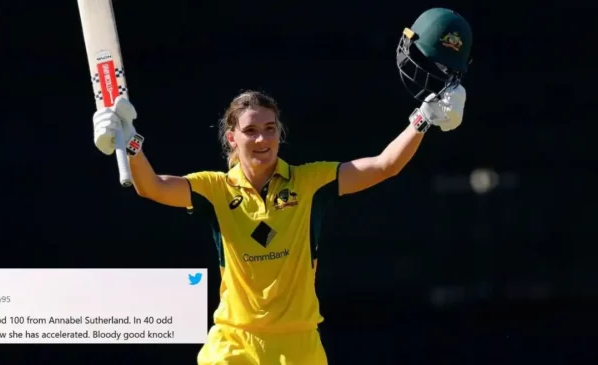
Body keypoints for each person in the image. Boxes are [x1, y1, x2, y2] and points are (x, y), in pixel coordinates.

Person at [91, 7, 471, 364]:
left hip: (299, 346)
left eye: (269, 129)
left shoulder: (309, 182)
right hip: (234, 345)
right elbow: (152, 187)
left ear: (280, 134)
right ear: (231, 139)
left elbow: (384, 166)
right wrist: (131, 144)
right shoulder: (216, 189)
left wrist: (424, 118)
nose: (261, 140)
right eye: (250, 131)